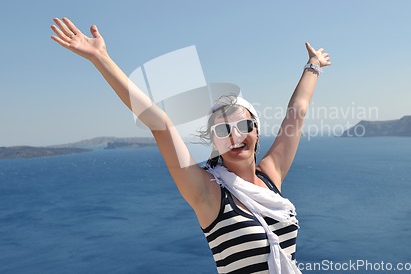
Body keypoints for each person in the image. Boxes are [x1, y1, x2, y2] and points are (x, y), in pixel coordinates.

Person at [50, 17, 331, 274]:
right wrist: (100, 58)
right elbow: (160, 124)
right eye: (223, 130)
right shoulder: (207, 192)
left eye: (243, 126)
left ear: (256, 131)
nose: (235, 136)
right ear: (213, 141)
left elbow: (297, 110)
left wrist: (313, 65)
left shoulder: (271, 176)